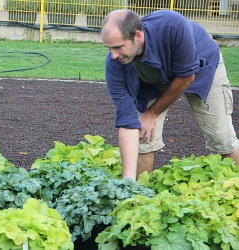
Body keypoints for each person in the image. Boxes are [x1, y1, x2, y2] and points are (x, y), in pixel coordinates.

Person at [101, 9, 239, 181]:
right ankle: (139, 195)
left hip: (201, 68)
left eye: (118, 47)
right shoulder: (115, 64)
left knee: (222, 139)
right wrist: (127, 184)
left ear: (137, 36)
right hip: (154, 78)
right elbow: (127, 121)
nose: (113, 55)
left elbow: (187, 77)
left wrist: (152, 113)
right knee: (142, 137)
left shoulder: (172, 25)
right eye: (109, 48)